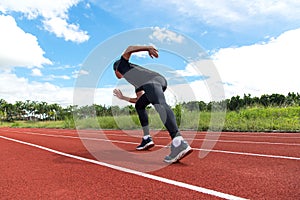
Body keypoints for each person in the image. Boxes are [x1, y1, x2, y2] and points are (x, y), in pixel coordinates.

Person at [113, 45, 193, 163]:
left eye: (116, 74)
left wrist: (148, 48)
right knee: (140, 106)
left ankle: (178, 142)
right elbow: (138, 100)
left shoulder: (121, 65)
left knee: (160, 104)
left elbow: (129, 48)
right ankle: (146, 138)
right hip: (157, 82)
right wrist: (123, 97)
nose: (117, 77)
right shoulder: (134, 80)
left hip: (153, 80)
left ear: (116, 70)